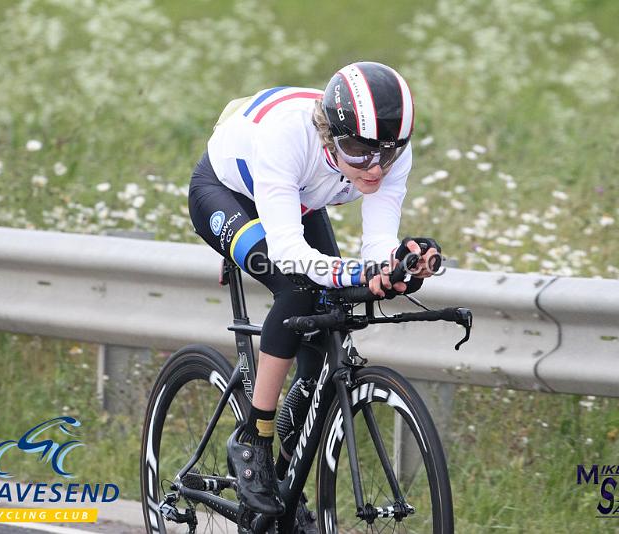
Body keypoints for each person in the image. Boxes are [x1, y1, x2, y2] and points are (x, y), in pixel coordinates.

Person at [187, 61, 440, 517]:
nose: (375, 168)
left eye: (388, 153)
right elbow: (288, 251)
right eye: (360, 152)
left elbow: (377, 243)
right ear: (329, 136)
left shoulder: (386, 154)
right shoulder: (288, 137)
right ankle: (254, 438)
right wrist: (357, 273)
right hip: (226, 193)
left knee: (330, 315)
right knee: (298, 290)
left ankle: (287, 469)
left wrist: (396, 264)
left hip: (297, 198)